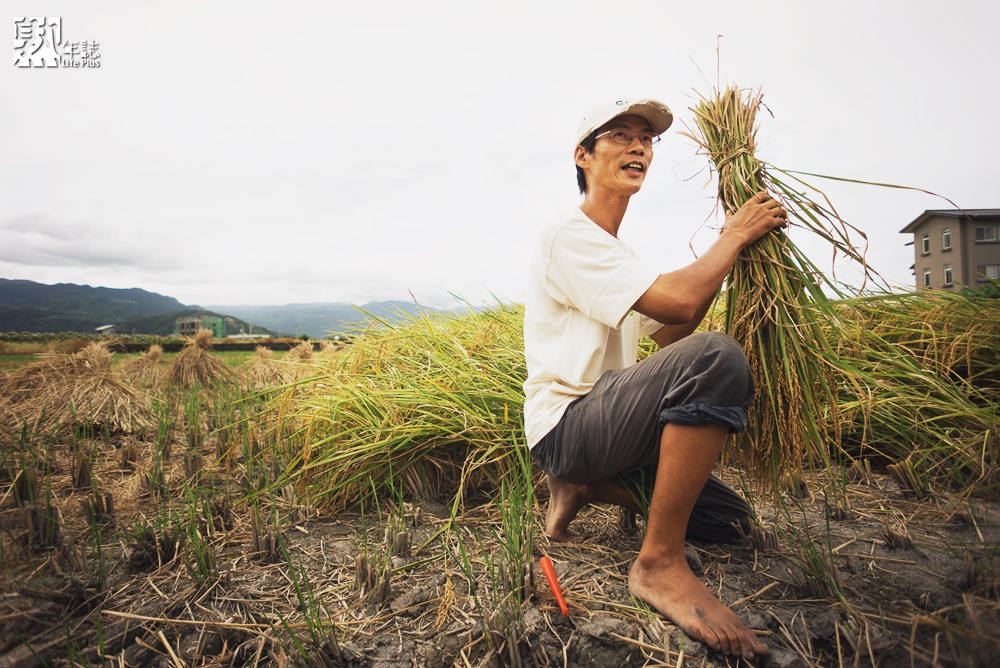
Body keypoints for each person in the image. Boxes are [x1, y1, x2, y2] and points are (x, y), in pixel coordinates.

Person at [522, 98, 788, 660]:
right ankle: (659, 564)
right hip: (569, 426)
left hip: (611, 432)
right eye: (619, 135)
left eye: (646, 138)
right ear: (582, 156)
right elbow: (681, 307)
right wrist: (733, 236)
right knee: (717, 357)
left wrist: (731, 252)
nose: (638, 145)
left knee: (731, 524)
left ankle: (587, 487)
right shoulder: (569, 235)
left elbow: (672, 328)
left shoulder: (620, 254)